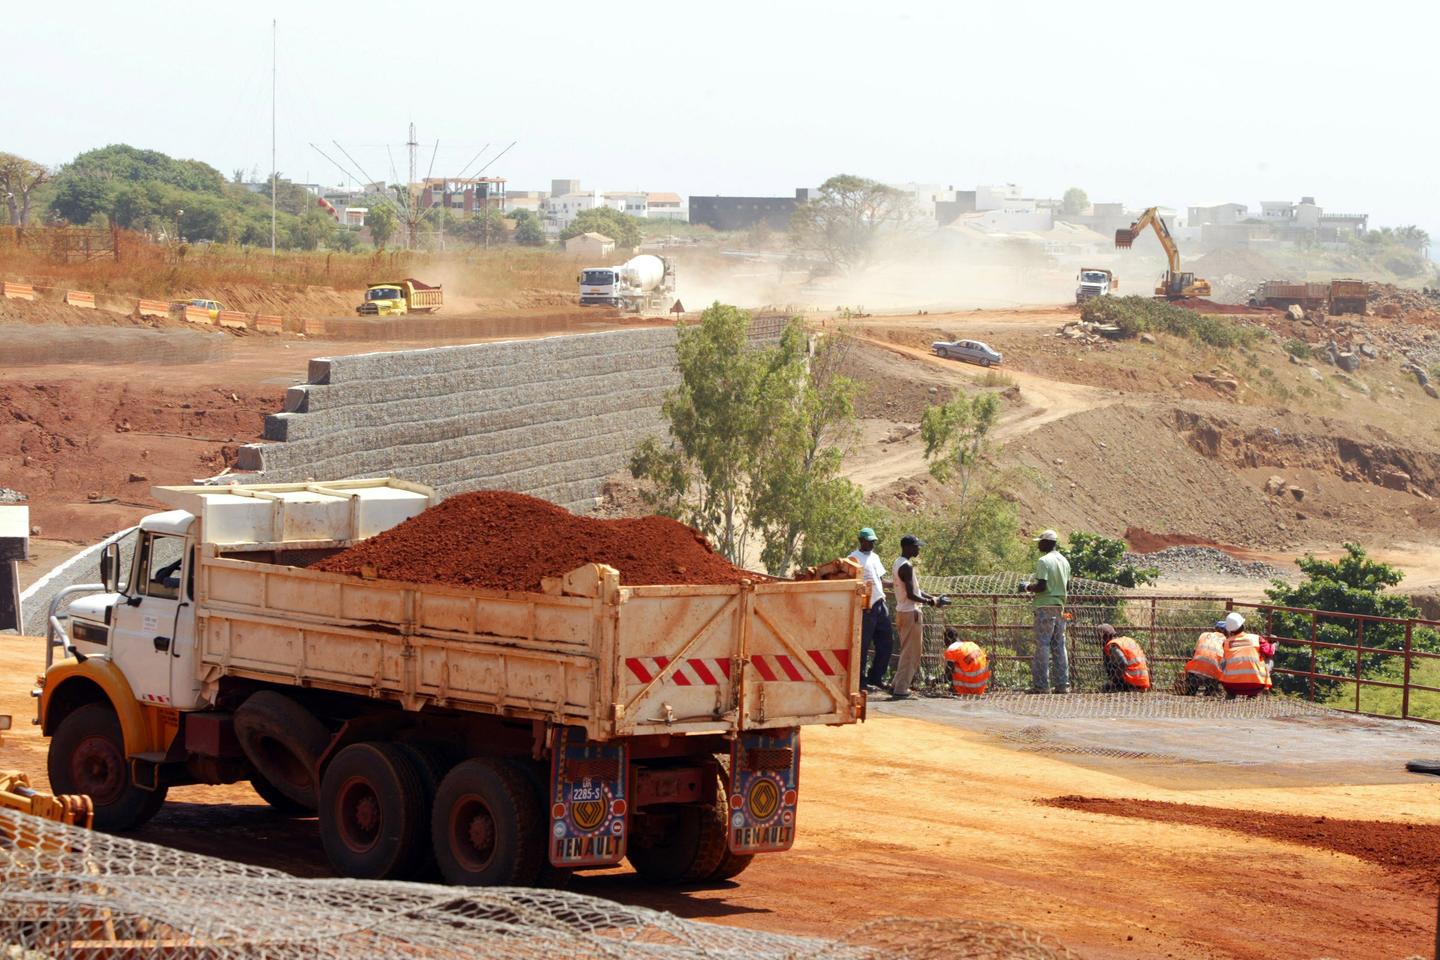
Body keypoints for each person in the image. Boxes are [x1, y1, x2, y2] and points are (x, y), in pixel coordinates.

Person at [890, 534, 950, 700]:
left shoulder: (898, 563)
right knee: (912, 653)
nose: (918, 549)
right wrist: (931, 602)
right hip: (911, 613)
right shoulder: (907, 567)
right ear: (907, 547)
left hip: (902, 612)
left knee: (906, 651)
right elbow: (911, 595)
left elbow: (915, 591)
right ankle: (901, 689)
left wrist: (933, 598)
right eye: (916, 546)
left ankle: (896, 684)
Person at [1022, 530, 1071, 694]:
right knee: (1059, 646)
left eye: (1040, 542)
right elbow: (1067, 586)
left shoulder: (1043, 561)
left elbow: (1042, 586)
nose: (1038, 545)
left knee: (1043, 645)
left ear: (1047, 543)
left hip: (1044, 607)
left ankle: (1041, 686)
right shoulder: (1064, 561)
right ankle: (1062, 685)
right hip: (1060, 607)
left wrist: (1027, 587)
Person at [848, 527, 892, 693]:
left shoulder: (875, 557)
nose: (872, 544)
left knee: (886, 642)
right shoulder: (852, 558)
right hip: (865, 606)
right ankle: (860, 680)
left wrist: (897, 583)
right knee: (863, 645)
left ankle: (876, 676)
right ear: (861, 541)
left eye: (874, 541)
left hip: (879, 602)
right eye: (869, 541)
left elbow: (880, 579)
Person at [1217, 611, 1271, 698]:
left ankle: (1231, 694)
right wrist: (1274, 645)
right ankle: (1260, 691)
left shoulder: (1226, 642)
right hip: (1255, 685)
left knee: (1224, 660)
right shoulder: (1257, 639)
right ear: (1243, 625)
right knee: (1268, 660)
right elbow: (1269, 652)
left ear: (1229, 630)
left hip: (1230, 686)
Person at [1097, 623, 1150, 692]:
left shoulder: (1113, 645)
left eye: (1099, 637)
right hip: (1142, 682)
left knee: (1105, 688)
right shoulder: (1127, 640)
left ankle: (1118, 687)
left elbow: (1123, 663)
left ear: (1105, 636)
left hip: (1131, 682)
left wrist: (1114, 680)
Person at [943, 626, 990, 696]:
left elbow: (948, 676)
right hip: (981, 688)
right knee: (962, 663)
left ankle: (956, 689)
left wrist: (935, 680)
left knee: (953, 665)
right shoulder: (971, 644)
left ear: (947, 638)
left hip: (968, 688)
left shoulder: (952, 649)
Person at [1182, 625, 1226, 696]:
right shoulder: (1225, 639)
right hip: (1212, 675)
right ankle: (1212, 689)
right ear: (1226, 631)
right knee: (1225, 663)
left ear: (1215, 629)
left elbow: (1194, 652)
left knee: (1193, 664)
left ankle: (1192, 689)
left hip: (1195, 672)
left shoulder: (1204, 635)